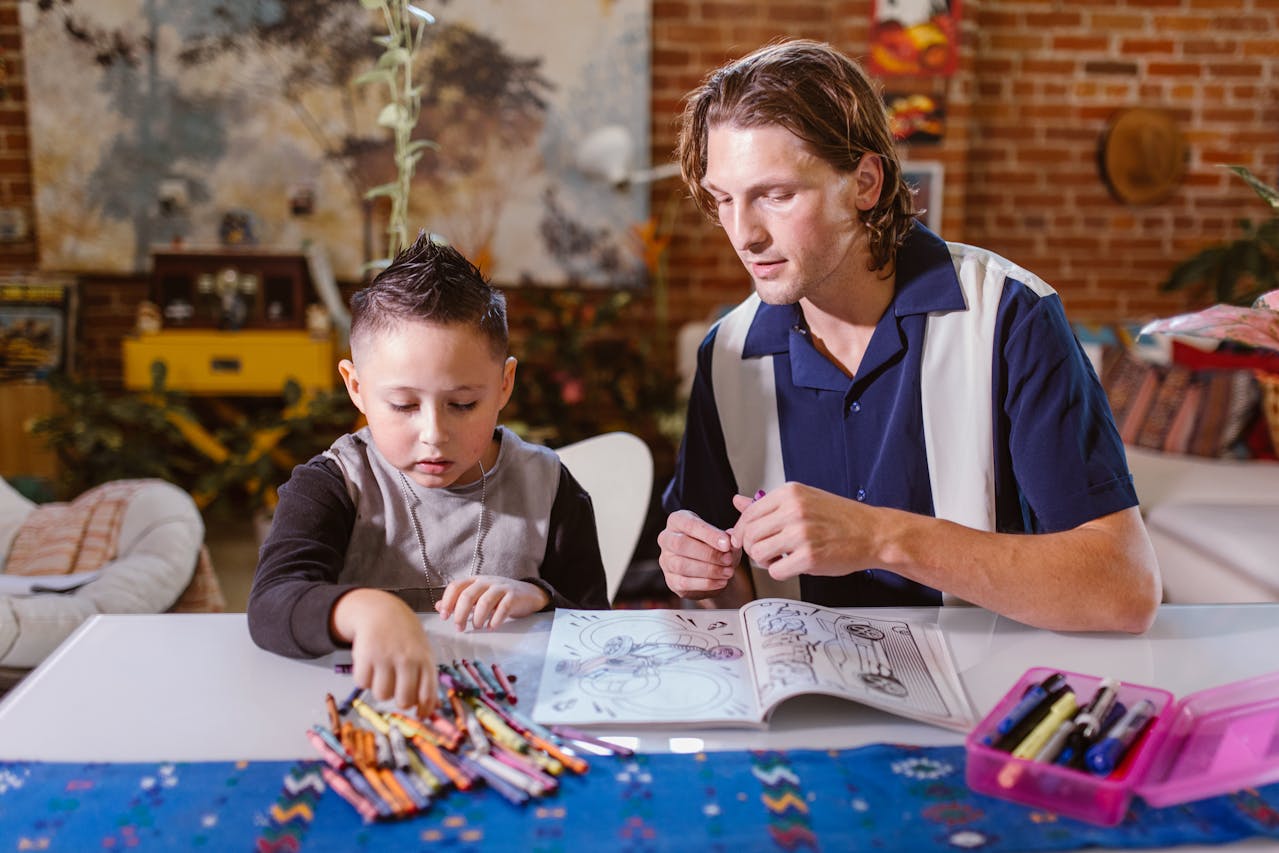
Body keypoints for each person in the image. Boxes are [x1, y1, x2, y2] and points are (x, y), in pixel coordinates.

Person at [657, 39, 1161, 633]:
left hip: (986, 703)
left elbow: (1123, 589)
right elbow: (729, 602)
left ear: (866, 183)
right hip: (800, 709)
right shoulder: (727, 353)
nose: (744, 234)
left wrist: (880, 537)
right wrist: (701, 576)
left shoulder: (1010, 316)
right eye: (723, 200)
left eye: (777, 194)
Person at [248, 235, 609, 714]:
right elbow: (271, 604)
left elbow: (597, 622)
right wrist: (365, 610)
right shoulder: (336, 484)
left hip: (513, 718)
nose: (434, 434)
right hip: (371, 716)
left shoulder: (547, 485)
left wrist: (540, 596)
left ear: (504, 384)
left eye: (462, 404)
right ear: (356, 387)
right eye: (403, 405)